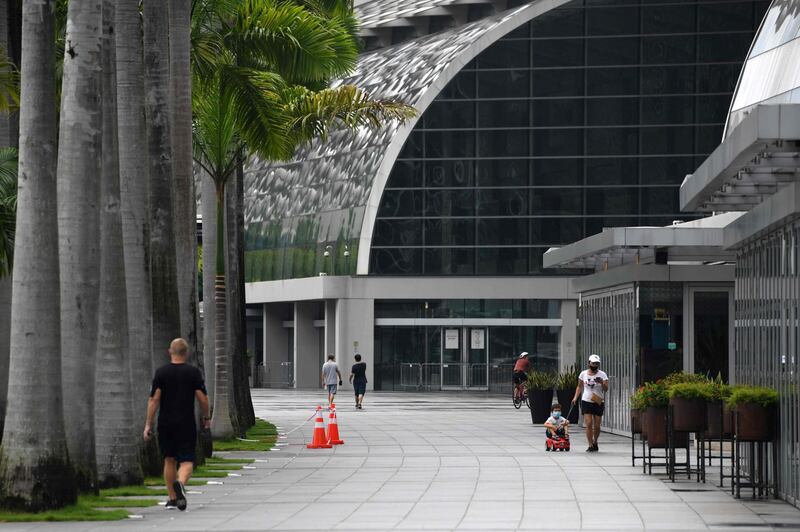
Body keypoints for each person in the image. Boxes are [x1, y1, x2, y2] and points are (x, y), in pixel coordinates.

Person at [144, 338, 210, 511]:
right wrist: (206, 416)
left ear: (169, 352)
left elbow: (154, 399)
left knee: (169, 459)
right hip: (186, 422)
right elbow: (202, 398)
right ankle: (180, 483)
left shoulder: (161, 373)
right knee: (187, 460)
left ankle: (172, 498)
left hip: (165, 423)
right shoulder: (193, 373)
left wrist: (148, 424)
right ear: (186, 353)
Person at [572, 354, 609, 452]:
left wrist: (602, 383)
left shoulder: (602, 374)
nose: (595, 365)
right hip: (586, 400)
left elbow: (606, 389)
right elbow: (579, 386)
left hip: (598, 401)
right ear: (589, 363)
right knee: (588, 423)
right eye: (593, 363)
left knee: (597, 425)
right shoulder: (583, 374)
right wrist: (575, 397)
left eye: (597, 364)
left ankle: (595, 441)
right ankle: (590, 444)